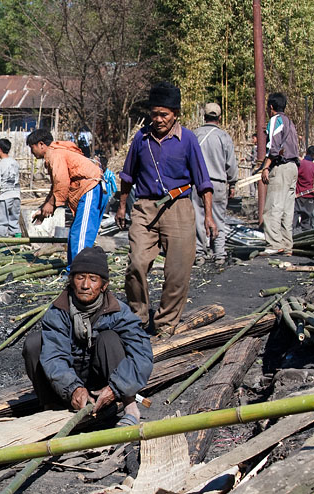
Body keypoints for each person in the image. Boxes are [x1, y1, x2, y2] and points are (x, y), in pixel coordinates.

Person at [116, 82, 215, 336]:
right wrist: (121, 206)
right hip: (145, 208)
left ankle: (165, 323)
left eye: (164, 115)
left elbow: (203, 181)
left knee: (178, 271)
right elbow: (128, 175)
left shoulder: (188, 140)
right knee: (136, 263)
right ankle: (138, 317)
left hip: (179, 208)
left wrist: (209, 217)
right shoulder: (141, 138)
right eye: (154, 114)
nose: (158, 120)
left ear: (176, 114)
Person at [22, 246, 153, 426]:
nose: (85, 285)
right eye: (80, 277)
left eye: (93, 279)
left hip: (104, 381)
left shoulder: (117, 311)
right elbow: (55, 357)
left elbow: (142, 353)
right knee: (34, 343)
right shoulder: (59, 310)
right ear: (71, 281)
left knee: (110, 338)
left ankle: (130, 408)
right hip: (67, 382)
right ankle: (51, 408)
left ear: (104, 286)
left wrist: (116, 387)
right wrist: (73, 388)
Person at [26, 128, 105, 271]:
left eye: (32, 148)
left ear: (41, 144)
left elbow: (61, 182)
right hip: (87, 192)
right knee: (75, 235)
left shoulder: (54, 154)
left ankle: (79, 273)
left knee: (81, 238)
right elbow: (56, 185)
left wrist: (51, 204)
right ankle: (73, 271)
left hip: (89, 190)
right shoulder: (56, 153)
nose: (32, 152)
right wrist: (45, 207)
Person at [192, 102, 238, 268]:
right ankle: (219, 254)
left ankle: (199, 253)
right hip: (217, 183)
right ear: (219, 117)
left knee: (198, 218)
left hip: (197, 184)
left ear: (204, 116)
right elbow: (231, 164)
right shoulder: (223, 137)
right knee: (218, 217)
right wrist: (232, 183)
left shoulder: (194, 135)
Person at [260, 92, 300, 254]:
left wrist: (266, 167)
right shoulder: (290, 122)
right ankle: (286, 243)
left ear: (271, 107)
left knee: (273, 206)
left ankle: (274, 244)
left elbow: (274, 147)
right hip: (293, 167)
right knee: (287, 208)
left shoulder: (275, 120)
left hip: (281, 167)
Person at [0, 138, 21, 237]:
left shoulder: (0, 164)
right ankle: (18, 243)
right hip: (16, 196)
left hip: (4, 197)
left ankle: (1, 243)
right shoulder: (15, 163)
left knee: (1, 221)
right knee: (14, 220)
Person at [296, 146, 314, 234]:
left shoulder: (300, 164)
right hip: (309, 196)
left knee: (295, 218)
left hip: (298, 195)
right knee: (306, 220)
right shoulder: (312, 166)